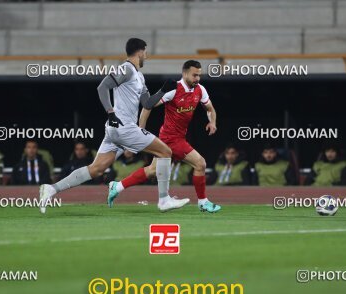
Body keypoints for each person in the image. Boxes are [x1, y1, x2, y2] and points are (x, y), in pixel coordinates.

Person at [39, 38, 189, 213]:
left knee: (96, 169)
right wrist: (110, 112)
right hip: (123, 127)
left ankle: (51, 189)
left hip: (116, 130)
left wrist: (163, 91)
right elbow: (102, 87)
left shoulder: (139, 76)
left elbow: (147, 103)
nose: (146, 56)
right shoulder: (125, 69)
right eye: (145, 52)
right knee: (165, 152)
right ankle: (164, 200)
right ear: (139, 51)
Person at [106, 60, 221, 213]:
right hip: (170, 139)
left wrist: (212, 122)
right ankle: (203, 202)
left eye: (199, 75)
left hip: (177, 137)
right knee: (200, 164)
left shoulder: (200, 90)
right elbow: (148, 106)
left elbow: (210, 109)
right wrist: (140, 130)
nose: (197, 78)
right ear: (185, 73)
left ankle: (117, 186)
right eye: (194, 75)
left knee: (153, 170)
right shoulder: (173, 89)